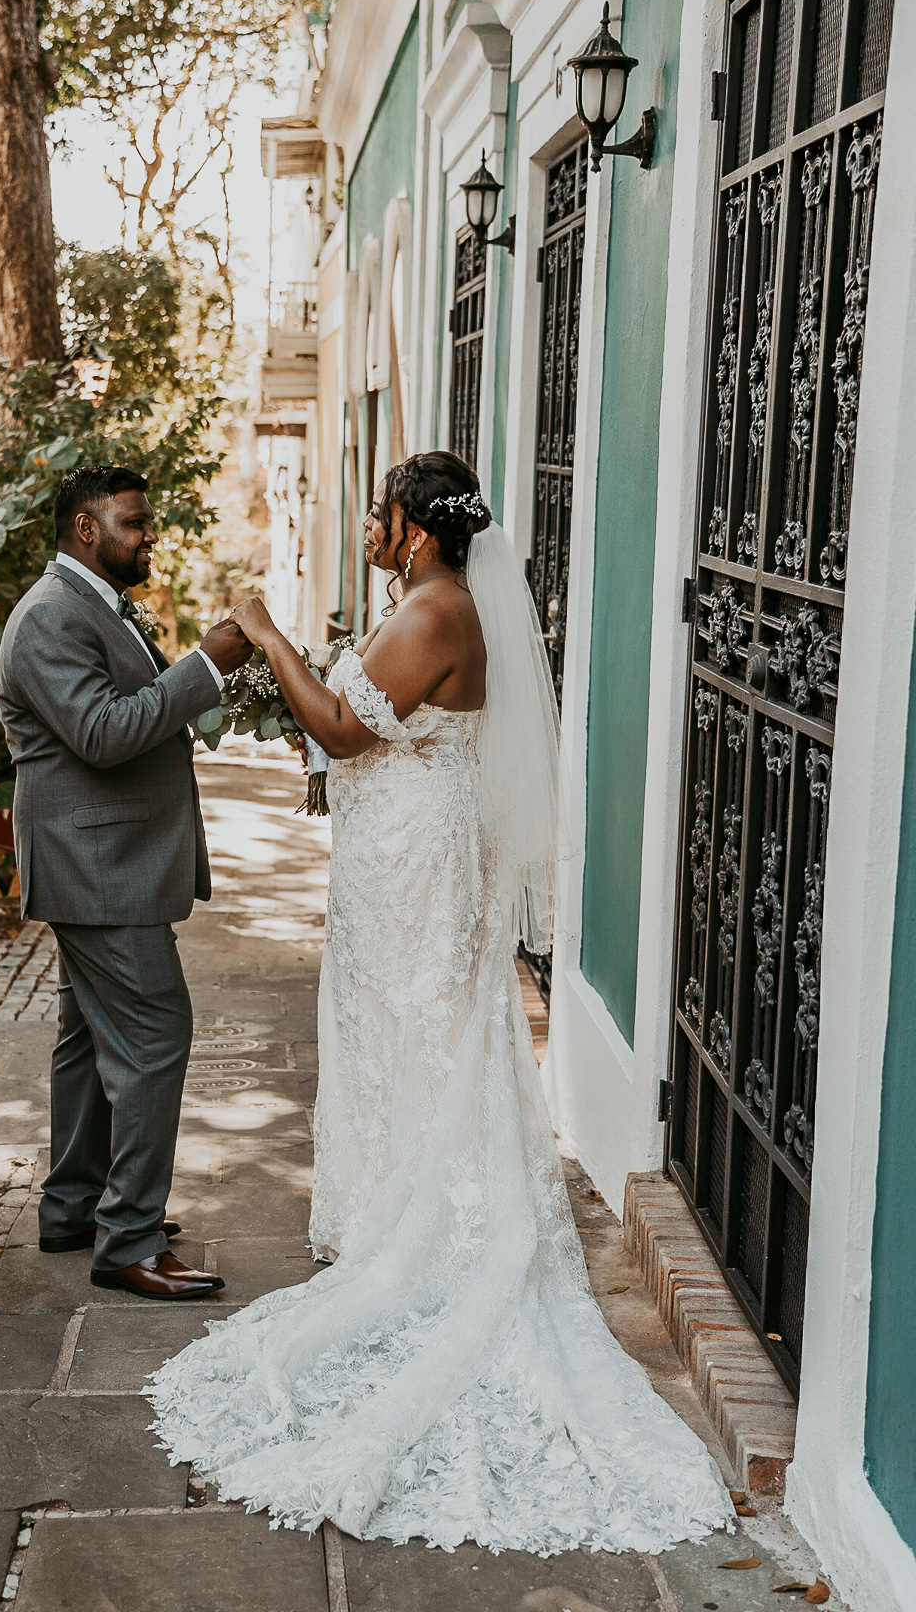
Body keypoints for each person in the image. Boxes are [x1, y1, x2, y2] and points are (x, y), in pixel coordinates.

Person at [148, 451, 734, 1554]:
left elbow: (343, 727)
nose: (369, 524)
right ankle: (395, 1213)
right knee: (394, 1038)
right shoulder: (428, 600)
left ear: (416, 526)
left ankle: (427, 1234)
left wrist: (270, 637)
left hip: (418, 875)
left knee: (420, 1034)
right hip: (398, 864)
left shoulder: (436, 610)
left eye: (380, 511)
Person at [0, 464, 251, 1300]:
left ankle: (74, 1208)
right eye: (135, 523)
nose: (149, 535)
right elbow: (103, 733)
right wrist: (207, 665)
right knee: (151, 1041)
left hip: (104, 862)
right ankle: (129, 1242)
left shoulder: (88, 603)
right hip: (98, 871)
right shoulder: (48, 619)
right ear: (85, 530)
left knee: (87, 1044)